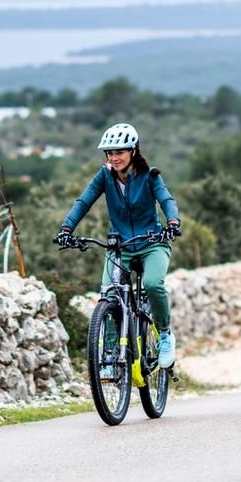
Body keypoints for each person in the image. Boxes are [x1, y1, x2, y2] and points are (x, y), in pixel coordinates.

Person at [55, 122, 181, 368]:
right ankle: (112, 354)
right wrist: (66, 228)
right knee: (110, 295)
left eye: (119, 152)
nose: (114, 158)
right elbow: (84, 201)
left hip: (152, 243)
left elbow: (166, 199)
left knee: (153, 284)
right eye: (110, 153)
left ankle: (165, 335)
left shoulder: (150, 176)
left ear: (133, 151)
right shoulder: (104, 175)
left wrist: (173, 222)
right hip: (119, 247)